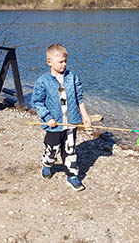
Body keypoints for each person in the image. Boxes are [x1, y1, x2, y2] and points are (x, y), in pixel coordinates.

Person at [31, 44, 91, 191]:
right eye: (60, 62)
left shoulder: (72, 77)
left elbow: (79, 98)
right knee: (52, 149)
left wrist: (85, 116)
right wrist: (47, 117)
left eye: (65, 61)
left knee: (70, 149)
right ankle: (47, 164)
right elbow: (37, 102)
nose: (64, 64)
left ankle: (72, 175)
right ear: (49, 62)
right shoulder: (43, 80)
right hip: (54, 124)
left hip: (72, 122)